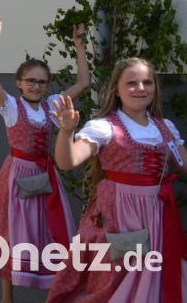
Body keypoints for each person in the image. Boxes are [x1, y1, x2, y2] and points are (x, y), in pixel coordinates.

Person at [47, 58, 187, 302]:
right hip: (119, 215)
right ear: (117, 90)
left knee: (158, 279)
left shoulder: (165, 128)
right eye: (131, 83)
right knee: (114, 281)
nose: (141, 88)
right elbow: (67, 161)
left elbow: (184, 164)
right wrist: (67, 131)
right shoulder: (104, 127)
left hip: (159, 215)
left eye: (147, 82)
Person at [0, 12, 87, 298]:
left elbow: (82, 84)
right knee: (12, 231)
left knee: (50, 230)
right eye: (30, 81)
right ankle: (7, 293)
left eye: (42, 82)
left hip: (45, 175)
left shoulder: (52, 106)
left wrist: (79, 47)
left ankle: (53, 288)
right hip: (17, 174)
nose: (36, 86)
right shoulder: (12, 108)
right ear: (19, 82)